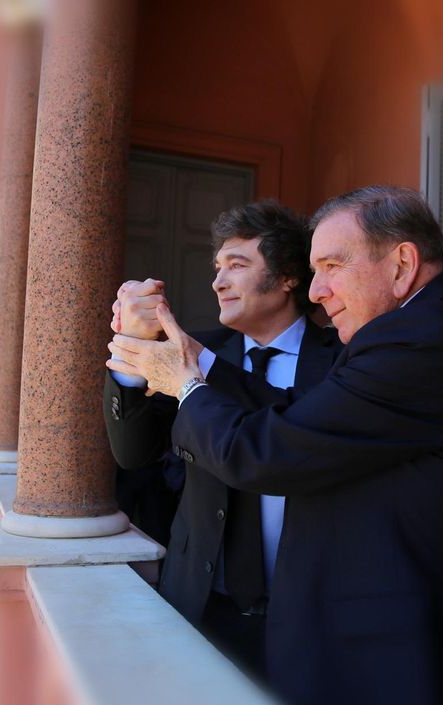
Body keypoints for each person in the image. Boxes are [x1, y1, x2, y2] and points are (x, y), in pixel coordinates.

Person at [107, 186, 443, 705]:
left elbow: (269, 450)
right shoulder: (428, 324)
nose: (318, 290)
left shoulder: (419, 338)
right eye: (314, 270)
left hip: (399, 660)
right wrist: (191, 365)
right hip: (344, 638)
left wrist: (187, 384)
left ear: (403, 264)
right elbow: (296, 414)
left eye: (332, 266)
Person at [104, 200, 341, 677]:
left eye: (238, 265)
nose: (218, 281)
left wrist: (196, 366)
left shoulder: (342, 357)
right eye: (218, 267)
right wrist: (133, 353)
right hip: (201, 602)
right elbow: (133, 453)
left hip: (314, 616)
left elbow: (299, 426)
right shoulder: (191, 350)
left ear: (289, 276)